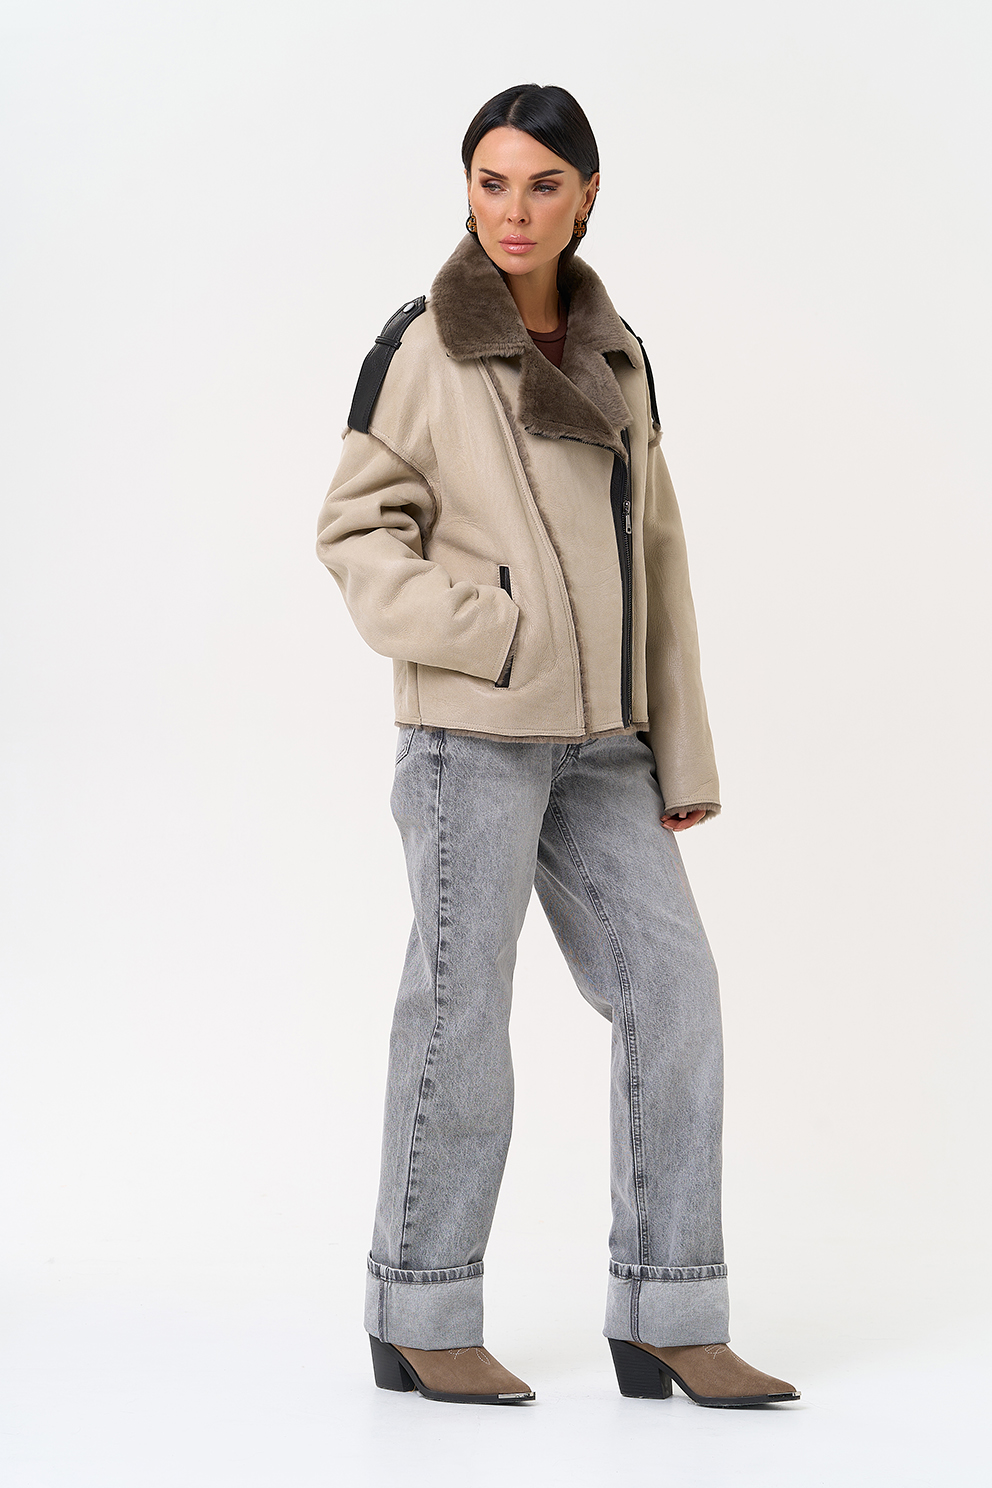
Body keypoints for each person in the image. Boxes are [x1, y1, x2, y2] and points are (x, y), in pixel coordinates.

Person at [316, 83, 799, 1410]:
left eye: (541, 184)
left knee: (675, 995)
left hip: (604, 747)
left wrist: (678, 754)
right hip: (472, 733)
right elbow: (354, 530)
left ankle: (670, 1315)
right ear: (467, 191)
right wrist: (491, 630)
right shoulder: (424, 345)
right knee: (460, 1014)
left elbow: (659, 557)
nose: (513, 211)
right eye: (491, 182)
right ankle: (421, 1310)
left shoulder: (619, 351)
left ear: (588, 196)